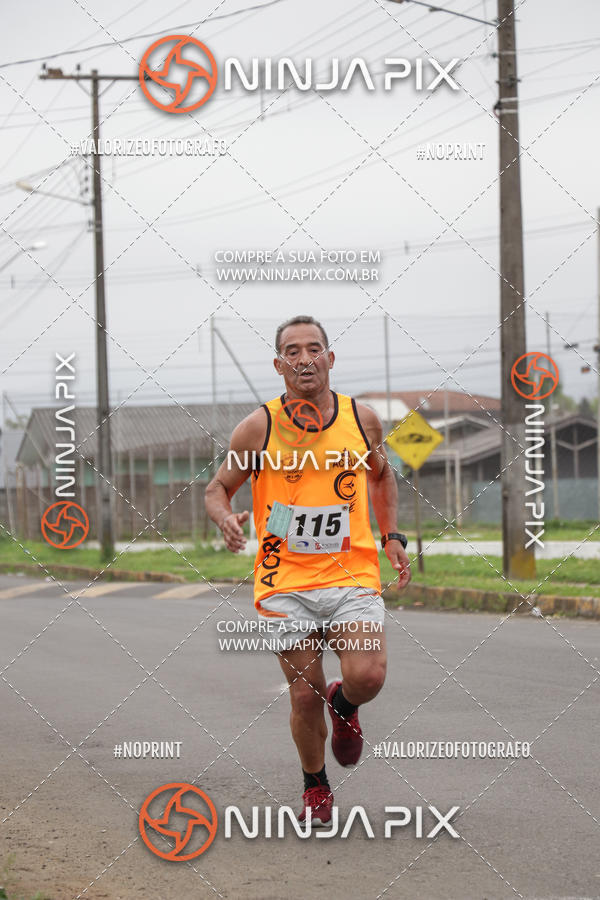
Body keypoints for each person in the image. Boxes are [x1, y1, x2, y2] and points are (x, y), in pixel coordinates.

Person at [205, 315, 411, 824]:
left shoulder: (362, 420)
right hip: (285, 580)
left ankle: (346, 706)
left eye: (314, 348)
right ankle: (315, 784)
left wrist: (391, 537)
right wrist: (226, 519)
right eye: (292, 352)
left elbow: (382, 478)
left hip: (351, 572)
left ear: (330, 359)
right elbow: (217, 489)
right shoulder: (259, 427)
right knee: (303, 692)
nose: (304, 359)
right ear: (279, 365)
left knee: (368, 674)